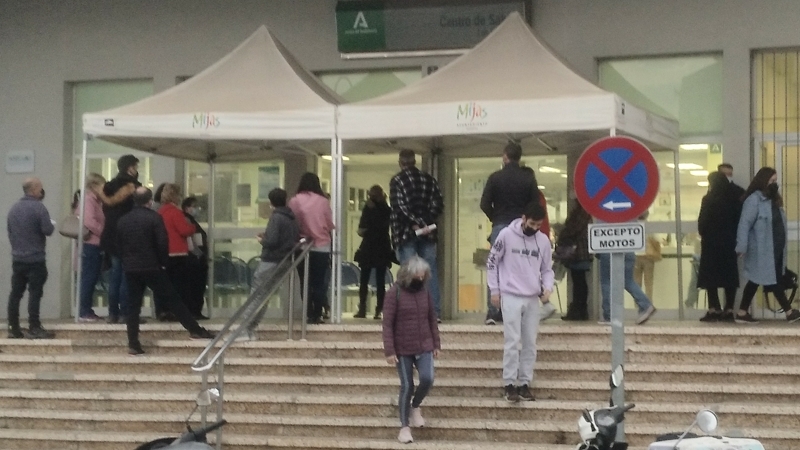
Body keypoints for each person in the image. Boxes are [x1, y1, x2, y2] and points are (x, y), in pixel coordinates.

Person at [117, 187, 215, 355]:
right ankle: (195, 329)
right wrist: (162, 263)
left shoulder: (123, 220)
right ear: (149, 201)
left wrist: (126, 262)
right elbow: (162, 243)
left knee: (133, 306)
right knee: (173, 299)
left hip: (131, 268)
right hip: (152, 266)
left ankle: (133, 343)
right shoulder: (154, 218)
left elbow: (119, 245)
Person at [487, 201, 553, 403]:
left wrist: (548, 287)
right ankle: (509, 383)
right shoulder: (506, 235)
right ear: (524, 219)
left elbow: (547, 268)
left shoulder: (543, 241)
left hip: (532, 297)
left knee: (530, 342)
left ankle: (524, 383)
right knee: (512, 340)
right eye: (532, 223)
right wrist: (495, 290)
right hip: (511, 294)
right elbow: (492, 262)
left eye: (538, 225)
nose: (534, 228)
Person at [381, 256, 440, 444]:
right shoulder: (394, 293)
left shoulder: (425, 291)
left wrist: (436, 343)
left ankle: (416, 406)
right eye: (417, 276)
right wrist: (390, 350)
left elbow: (431, 318)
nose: (421, 279)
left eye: (423, 276)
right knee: (407, 386)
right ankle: (404, 427)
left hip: (424, 345)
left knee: (427, 378)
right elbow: (387, 324)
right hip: (403, 347)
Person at [480, 143, 540, 325]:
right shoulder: (528, 178)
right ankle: (519, 311)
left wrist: (495, 217)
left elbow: (484, 203)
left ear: (505, 156)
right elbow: (535, 204)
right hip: (522, 227)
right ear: (519, 157)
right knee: (522, 266)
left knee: (495, 265)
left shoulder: (495, 177)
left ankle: (493, 312)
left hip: (500, 225)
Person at [734, 167, 800, 324]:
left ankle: (742, 312)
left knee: (757, 280)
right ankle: (789, 312)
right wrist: (741, 246)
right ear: (763, 181)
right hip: (761, 249)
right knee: (773, 279)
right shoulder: (754, 201)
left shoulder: (774, 200)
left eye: (775, 181)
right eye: (771, 181)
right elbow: (744, 224)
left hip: (775, 250)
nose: (774, 184)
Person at [390, 149, 444, 321]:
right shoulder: (429, 180)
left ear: (400, 162)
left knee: (409, 272)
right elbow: (438, 204)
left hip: (406, 233)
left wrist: (415, 223)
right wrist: (425, 222)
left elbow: (399, 207)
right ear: (415, 161)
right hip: (428, 233)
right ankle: (434, 312)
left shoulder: (397, 180)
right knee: (429, 271)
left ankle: (410, 312)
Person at [246, 188, 300, 340]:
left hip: (270, 261)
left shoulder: (276, 217)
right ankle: (250, 327)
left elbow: (272, 241)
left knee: (257, 294)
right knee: (265, 295)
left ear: (271, 202)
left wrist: (262, 239)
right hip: (284, 260)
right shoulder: (291, 217)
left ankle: (246, 328)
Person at [6, 177, 56, 339]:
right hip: (35, 259)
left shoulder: (14, 209)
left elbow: (10, 232)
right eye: (40, 188)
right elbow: (48, 230)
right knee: (35, 293)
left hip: (18, 259)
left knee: (16, 293)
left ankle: (13, 327)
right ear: (34, 190)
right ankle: (34, 326)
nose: (42, 190)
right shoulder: (39, 208)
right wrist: (51, 224)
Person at [100, 154, 142, 324]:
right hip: (127, 235)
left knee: (115, 276)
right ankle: (126, 313)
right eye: (136, 166)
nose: (137, 170)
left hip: (110, 234)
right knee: (127, 275)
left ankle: (112, 313)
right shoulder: (133, 186)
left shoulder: (109, 186)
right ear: (130, 168)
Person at [289, 172, 334, 324]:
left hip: (301, 246)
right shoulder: (323, 201)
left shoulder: (295, 201)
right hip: (321, 246)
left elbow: (292, 222)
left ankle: (308, 313)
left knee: (305, 281)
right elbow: (329, 224)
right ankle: (318, 313)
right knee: (319, 282)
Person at [696, 172, 741, 322]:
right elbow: (739, 221)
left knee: (711, 277)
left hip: (711, 244)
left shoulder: (708, 199)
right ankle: (729, 309)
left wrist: (705, 233)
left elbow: (702, 223)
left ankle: (714, 308)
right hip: (729, 243)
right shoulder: (734, 199)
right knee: (729, 276)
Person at [354, 185, 393, 320]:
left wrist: (368, 226)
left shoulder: (370, 208)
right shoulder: (387, 210)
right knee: (379, 280)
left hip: (369, 245)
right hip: (382, 245)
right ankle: (378, 309)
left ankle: (363, 308)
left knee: (365, 279)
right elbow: (382, 226)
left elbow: (363, 228)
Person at [158, 183, 196, 314]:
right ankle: (178, 311)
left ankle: (164, 310)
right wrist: (192, 227)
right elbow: (184, 230)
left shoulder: (160, 211)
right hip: (178, 252)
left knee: (166, 284)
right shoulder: (176, 212)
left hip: (164, 252)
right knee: (179, 284)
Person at [598, 243, 657, 325]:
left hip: (608, 249)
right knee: (628, 281)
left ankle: (609, 315)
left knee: (607, 282)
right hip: (628, 250)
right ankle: (646, 305)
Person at [76, 173, 108, 322]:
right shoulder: (88, 200)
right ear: (94, 186)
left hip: (94, 244)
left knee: (91, 277)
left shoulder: (96, 201)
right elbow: (89, 221)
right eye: (102, 186)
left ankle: (86, 310)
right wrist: (104, 232)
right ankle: (84, 311)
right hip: (91, 244)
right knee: (89, 277)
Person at [556, 201, 592, 321]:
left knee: (578, 282)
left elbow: (574, 228)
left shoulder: (582, 212)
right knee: (579, 281)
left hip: (578, 251)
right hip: (580, 251)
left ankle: (578, 310)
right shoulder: (583, 211)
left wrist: (562, 234)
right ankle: (579, 309)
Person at [182, 196, 209, 320]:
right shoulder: (187, 220)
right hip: (194, 259)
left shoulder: (192, 221)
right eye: (194, 207)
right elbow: (191, 241)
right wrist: (199, 255)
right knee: (195, 287)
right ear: (187, 208)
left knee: (198, 287)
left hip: (197, 258)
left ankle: (196, 311)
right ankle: (194, 311)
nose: (197, 209)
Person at [633, 211, 661, 301]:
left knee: (637, 283)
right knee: (649, 283)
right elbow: (657, 239)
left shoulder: (633, 225)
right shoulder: (650, 225)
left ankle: (637, 304)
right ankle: (648, 303)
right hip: (648, 257)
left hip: (636, 256)